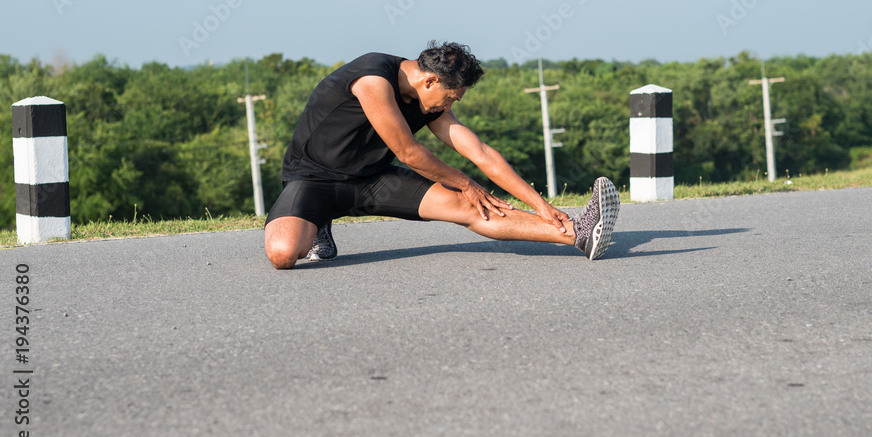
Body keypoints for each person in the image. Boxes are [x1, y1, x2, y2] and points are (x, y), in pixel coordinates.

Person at [263, 41, 619, 270]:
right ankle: (318, 224)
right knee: (282, 254)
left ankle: (579, 233)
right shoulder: (372, 79)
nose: (450, 105)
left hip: (373, 181)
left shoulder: (428, 99)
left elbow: (479, 152)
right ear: (430, 80)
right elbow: (408, 152)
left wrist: (539, 203)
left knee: (471, 208)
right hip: (314, 178)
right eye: (451, 97)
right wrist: (466, 183)